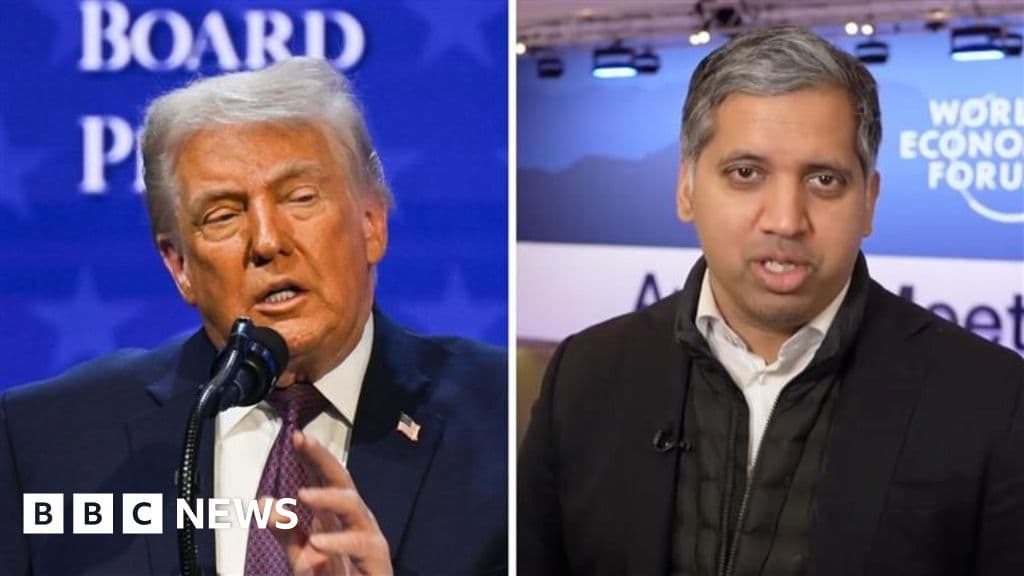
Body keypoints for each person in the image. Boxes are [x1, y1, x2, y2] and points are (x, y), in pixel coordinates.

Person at [518, 26, 1024, 576]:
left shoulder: (991, 400)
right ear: (686, 187)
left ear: (870, 202)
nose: (785, 220)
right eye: (746, 174)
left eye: (825, 179)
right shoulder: (585, 375)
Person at [0, 58, 507, 576]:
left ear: (371, 223)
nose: (267, 241)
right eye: (222, 215)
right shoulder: (48, 444)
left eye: (301, 198)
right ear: (179, 266)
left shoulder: (508, 422)